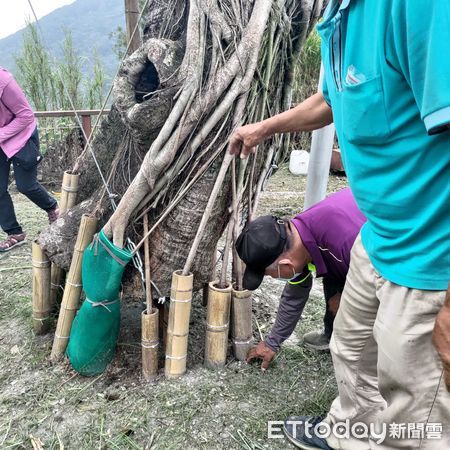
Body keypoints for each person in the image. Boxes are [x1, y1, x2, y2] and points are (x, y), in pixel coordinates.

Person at [229, 0, 450, 448]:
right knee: (349, 346)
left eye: (274, 271)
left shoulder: (418, 8)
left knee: (414, 404)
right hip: (379, 236)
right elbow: (332, 99)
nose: (280, 277)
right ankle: (348, 433)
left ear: (286, 260)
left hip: (428, 253)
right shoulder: (339, 17)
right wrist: (263, 129)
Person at [235, 188, 365, 369]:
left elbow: (385, 292)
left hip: (397, 248)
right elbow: (295, 294)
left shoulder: (346, 249)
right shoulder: (300, 235)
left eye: (268, 274)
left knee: (361, 312)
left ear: (286, 265)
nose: (270, 277)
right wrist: (272, 342)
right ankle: (332, 335)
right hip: (348, 246)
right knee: (334, 282)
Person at [0, 67, 59, 252]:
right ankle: (14, 232)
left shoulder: (4, 80)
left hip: (21, 137)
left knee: (25, 185)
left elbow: (26, 116)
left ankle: (53, 208)